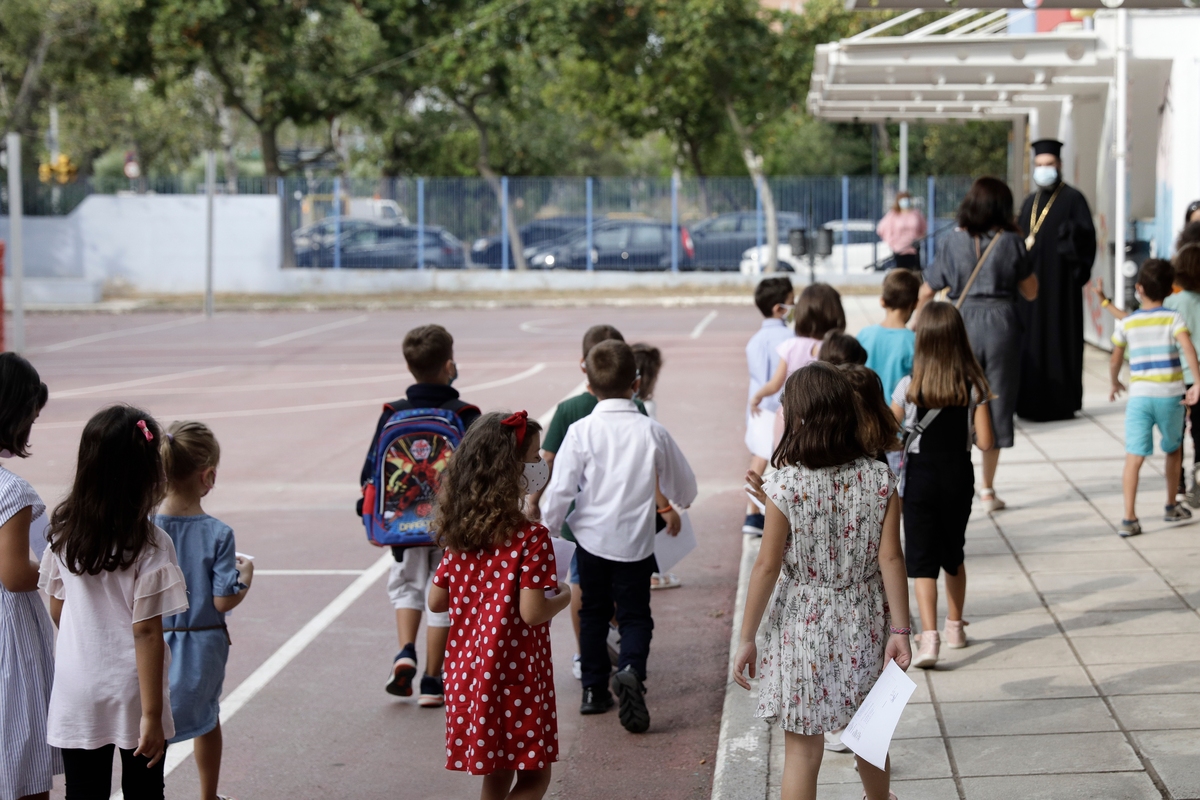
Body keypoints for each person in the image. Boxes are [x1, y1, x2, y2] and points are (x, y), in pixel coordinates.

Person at [732, 363, 911, 800]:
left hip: (802, 622)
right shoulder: (879, 478)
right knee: (870, 734)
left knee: (803, 750)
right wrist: (902, 630)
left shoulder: (785, 484)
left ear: (797, 417)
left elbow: (767, 566)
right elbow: (891, 557)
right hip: (865, 616)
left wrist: (747, 637)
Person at [542, 340, 697, 733]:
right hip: (636, 544)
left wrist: (548, 531)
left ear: (590, 385)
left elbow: (559, 491)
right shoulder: (651, 430)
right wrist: (677, 501)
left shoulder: (579, 431)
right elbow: (685, 487)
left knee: (592, 612)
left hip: (591, 542)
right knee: (635, 615)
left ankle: (593, 690)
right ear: (637, 382)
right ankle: (630, 669)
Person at [40, 406, 189, 799]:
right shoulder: (152, 544)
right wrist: (153, 717)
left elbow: (59, 607)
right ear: (145, 475)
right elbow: (146, 632)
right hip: (134, 692)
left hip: (77, 687)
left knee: (83, 792)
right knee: (144, 791)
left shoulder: (63, 535)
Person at [428, 411, 569, 800]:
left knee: (497, 773)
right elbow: (533, 612)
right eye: (535, 456)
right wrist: (565, 595)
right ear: (513, 470)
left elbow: (436, 600)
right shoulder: (531, 538)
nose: (540, 465)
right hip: (517, 675)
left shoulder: (461, 532)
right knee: (534, 776)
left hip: (470, 675)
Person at [527, 325, 668, 681]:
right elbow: (655, 465)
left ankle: (587, 667)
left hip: (584, 529)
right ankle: (628, 658)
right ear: (632, 376)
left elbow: (547, 459)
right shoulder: (638, 412)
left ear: (584, 370)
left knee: (585, 598)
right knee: (632, 604)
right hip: (632, 527)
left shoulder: (571, 410)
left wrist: (537, 506)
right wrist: (665, 504)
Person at [362, 324, 480, 706]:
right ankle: (432, 680)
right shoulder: (464, 413)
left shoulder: (392, 413)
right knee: (443, 595)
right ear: (449, 365)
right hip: (450, 525)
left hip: (401, 524)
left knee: (406, 587)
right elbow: (479, 471)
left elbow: (370, 472)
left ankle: (405, 651)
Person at [918, 176, 1038, 513]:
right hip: (1002, 325)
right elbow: (1031, 290)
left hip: (960, 324)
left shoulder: (952, 242)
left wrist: (917, 321)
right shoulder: (1012, 242)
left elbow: (928, 289)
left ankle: (956, 477)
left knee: (956, 398)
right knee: (995, 399)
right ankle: (987, 488)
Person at [891, 304, 994, 669]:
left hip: (919, 479)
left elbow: (889, 435)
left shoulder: (909, 386)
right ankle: (955, 627)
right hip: (958, 476)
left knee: (920, 560)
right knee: (953, 553)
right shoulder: (973, 386)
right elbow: (985, 441)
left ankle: (929, 639)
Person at [156, 421, 254, 800]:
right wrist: (244, 576)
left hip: (152, 638)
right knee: (207, 717)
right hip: (202, 642)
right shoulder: (218, 533)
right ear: (208, 475)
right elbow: (222, 600)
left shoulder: (145, 527)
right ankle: (207, 795)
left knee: (153, 721)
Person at [0, 353, 60, 800]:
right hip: (8, 635)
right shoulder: (12, 491)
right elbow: (16, 575)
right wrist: (58, 569)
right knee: (21, 757)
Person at [1108, 259, 1200, 537]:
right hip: (1170, 396)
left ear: (1138, 288)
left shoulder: (1128, 322)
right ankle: (1171, 504)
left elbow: (1115, 359)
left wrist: (1114, 382)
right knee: (1173, 449)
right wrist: (1196, 382)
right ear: (1171, 290)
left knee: (1134, 456)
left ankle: (1129, 517)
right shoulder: (1173, 319)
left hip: (1140, 397)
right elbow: (1188, 349)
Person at [1016, 139, 1098, 422]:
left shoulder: (1074, 199)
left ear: (1059, 166)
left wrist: (1069, 237)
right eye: (1039, 165)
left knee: (1059, 340)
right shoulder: (1030, 202)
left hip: (1061, 290)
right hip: (1031, 292)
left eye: (1049, 164)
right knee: (1031, 342)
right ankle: (1028, 401)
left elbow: (1087, 240)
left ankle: (1062, 402)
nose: (1044, 170)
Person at [742, 277, 795, 536]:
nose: (794, 306)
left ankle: (752, 513)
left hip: (758, 406)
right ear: (778, 308)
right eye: (791, 302)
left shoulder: (754, 340)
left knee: (760, 458)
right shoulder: (790, 337)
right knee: (783, 461)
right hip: (780, 407)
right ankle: (778, 513)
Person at [749, 282, 846, 414]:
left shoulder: (791, 345)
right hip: (827, 414)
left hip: (794, 414)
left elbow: (775, 384)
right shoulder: (838, 347)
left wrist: (757, 396)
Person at [632, 342, 680, 590]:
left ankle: (650, 572)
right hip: (645, 483)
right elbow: (651, 457)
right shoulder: (645, 408)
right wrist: (664, 504)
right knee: (654, 524)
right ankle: (651, 573)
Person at [858, 269, 921, 401]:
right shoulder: (914, 342)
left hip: (866, 415)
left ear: (882, 301)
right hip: (900, 418)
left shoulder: (864, 335)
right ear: (915, 303)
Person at [876, 191, 928, 271]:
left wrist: (919, 239)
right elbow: (881, 229)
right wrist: (891, 241)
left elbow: (924, 229)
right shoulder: (893, 215)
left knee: (915, 271)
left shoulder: (916, 214)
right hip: (899, 249)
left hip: (913, 248)